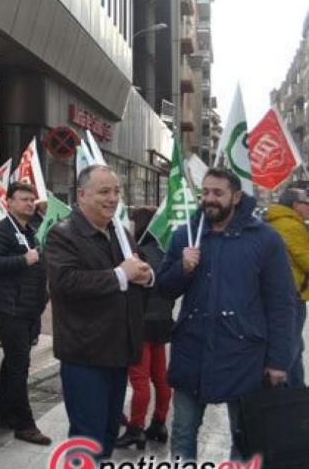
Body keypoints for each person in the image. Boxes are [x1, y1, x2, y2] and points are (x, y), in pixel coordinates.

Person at [158, 168, 295, 460]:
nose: (209, 199)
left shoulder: (265, 239)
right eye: (205, 192)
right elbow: (164, 289)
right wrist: (182, 268)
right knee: (182, 433)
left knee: (245, 437)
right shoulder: (186, 235)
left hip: (245, 356)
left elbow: (281, 304)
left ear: (235, 196)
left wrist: (278, 361)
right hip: (192, 353)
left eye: (217, 193)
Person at [44, 164, 153, 458]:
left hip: (118, 351)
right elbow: (66, 282)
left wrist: (146, 275)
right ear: (81, 195)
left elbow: (137, 267)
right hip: (85, 353)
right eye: (104, 192)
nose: (113, 199)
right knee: (87, 437)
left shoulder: (118, 232)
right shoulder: (63, 234)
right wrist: (120, 275)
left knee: (106, 434)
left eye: (117, 192)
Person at [0, 182, 51, 445]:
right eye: (23, 199)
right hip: (10, 307)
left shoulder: (32, 232)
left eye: (31, 199)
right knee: (19, 365)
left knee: (12, 363)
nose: (28, 203)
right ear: (8, 202)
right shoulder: (1, 231)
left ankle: (3, 416)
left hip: (28, 308)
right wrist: (24, 260)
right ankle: (24, 424)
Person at [118, 206, 175, 450]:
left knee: (139, 379)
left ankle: (136, 428)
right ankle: (159, 423)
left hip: (140, 322)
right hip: (162, 322)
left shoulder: (137, 253)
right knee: (160, 377)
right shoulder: (166, 251)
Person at [264, 188, 309, 388]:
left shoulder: (275, 222)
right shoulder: (291, 226)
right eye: (306, 202)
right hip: (293, 296)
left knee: (292, 345)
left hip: (283, 294)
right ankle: (292, 393)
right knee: (291, 347)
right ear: (295, 205)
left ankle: (294, 389)